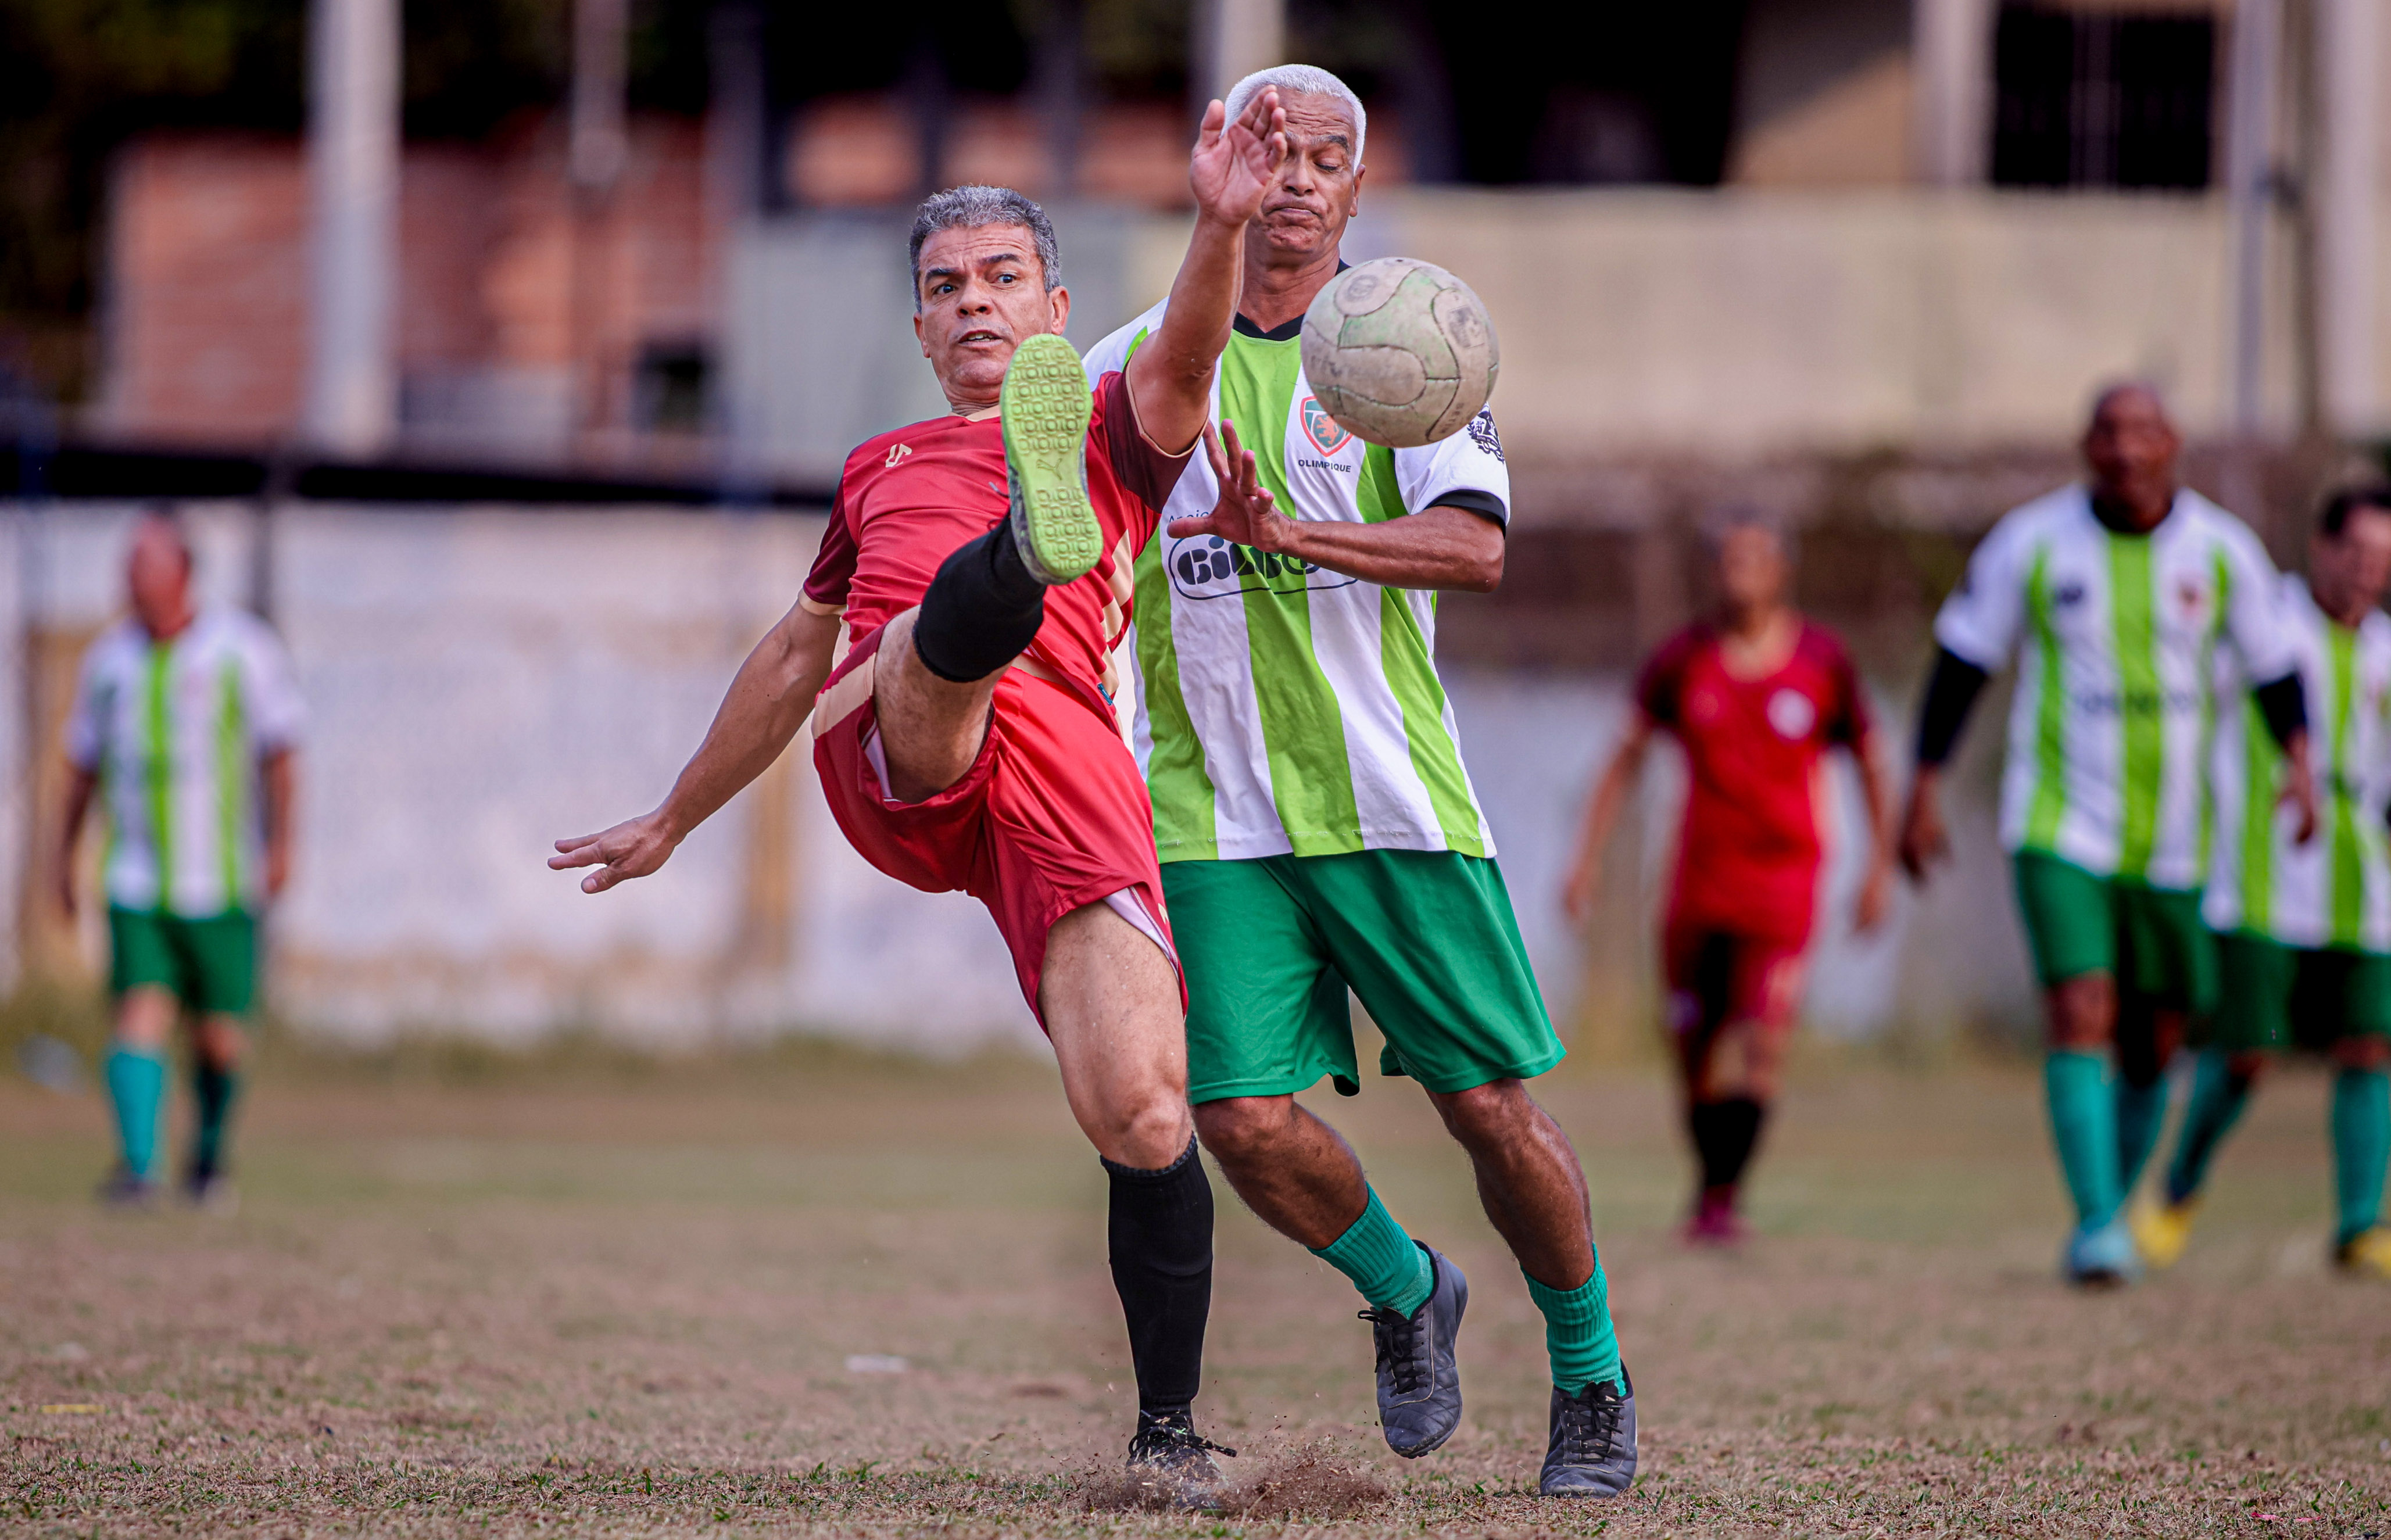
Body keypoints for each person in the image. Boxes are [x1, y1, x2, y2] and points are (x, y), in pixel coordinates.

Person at [549, 93, 1287, 1494]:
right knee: (919, 656)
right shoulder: (874, 469)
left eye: (1004, 280)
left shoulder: (1127, 432)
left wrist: (1220, 219)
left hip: (1067, 762)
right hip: (908, 741)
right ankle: (1015, 558)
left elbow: (1189, 356)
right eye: (944, 289)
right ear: (917, 330)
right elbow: (789, 654)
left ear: (1059, 305)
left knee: (1140, 1107)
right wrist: (673, 815)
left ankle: (1169, 1435)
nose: (973, 305)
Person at [1080, 63, 1636, 1498]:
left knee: (1491, 1107)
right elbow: (1080, 559)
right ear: (1224, 167)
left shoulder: (1407, 346)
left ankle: (1590, 1377)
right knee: (1237, 1117)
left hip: (1393, 801)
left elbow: (1476, 548)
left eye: (1331, 155)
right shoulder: (1137, 364)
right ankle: (1406, 1288)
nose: (1303, 178)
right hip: (1210, 815)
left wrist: (1292, 536)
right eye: (1275, 149)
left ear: (1359, 186)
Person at [1898, 383, 2314, 1286]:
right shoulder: (2033, 542)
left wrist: (2303, 765)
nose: (2126, 449)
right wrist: (1923, 784)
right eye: (2109, 431)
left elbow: (2278, 665)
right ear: (2086, 444)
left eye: (2144, 432)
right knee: (2080, 1007)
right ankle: (2095, 1225)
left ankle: (2114, 1209)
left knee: (2155, 1037)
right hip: (2058, 821)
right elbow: (1965, 659)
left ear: (2174, 445)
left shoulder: (2223, 550)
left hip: (2175, 836)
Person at [2134, 484, 2391, 1282]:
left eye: (2389, 562)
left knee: (2368, 1046)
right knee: (2248, 1054)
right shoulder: (2262, 624)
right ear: (2322, 545)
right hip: (2260, 873)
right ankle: (2176, 1193)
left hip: (2361, 878)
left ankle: (2361, 1226)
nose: (2372, 574)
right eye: (2360, 554)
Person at [1562, 511, 1891, 1247]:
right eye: (1727, 560)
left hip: (1785, 880)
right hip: (1700, 881)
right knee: (1694, 1045)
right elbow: (1624, 760)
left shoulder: (1822, 662)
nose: (1737, 573)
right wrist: (1584, 860)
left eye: (1753, 559)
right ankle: (1711, 1187)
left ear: (1781, 571)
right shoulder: (1683, 660)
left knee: (1761, 1039)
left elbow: (1870, 762)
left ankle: (1724, 1198)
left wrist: (1878, 866)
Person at [58, 509, 305, 1210]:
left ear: (184, 573)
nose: (131, 579)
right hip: (135, 876)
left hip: (223, 880)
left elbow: (283, 754)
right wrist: (62, 859)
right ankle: (138, 1168)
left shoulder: (242, 651)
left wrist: (284, 844)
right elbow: (80, 768)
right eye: (127, 564)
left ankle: (207, 1159)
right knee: (137, 1015)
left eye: (146, 564)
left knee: (220, 1037)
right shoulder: (108, 661)